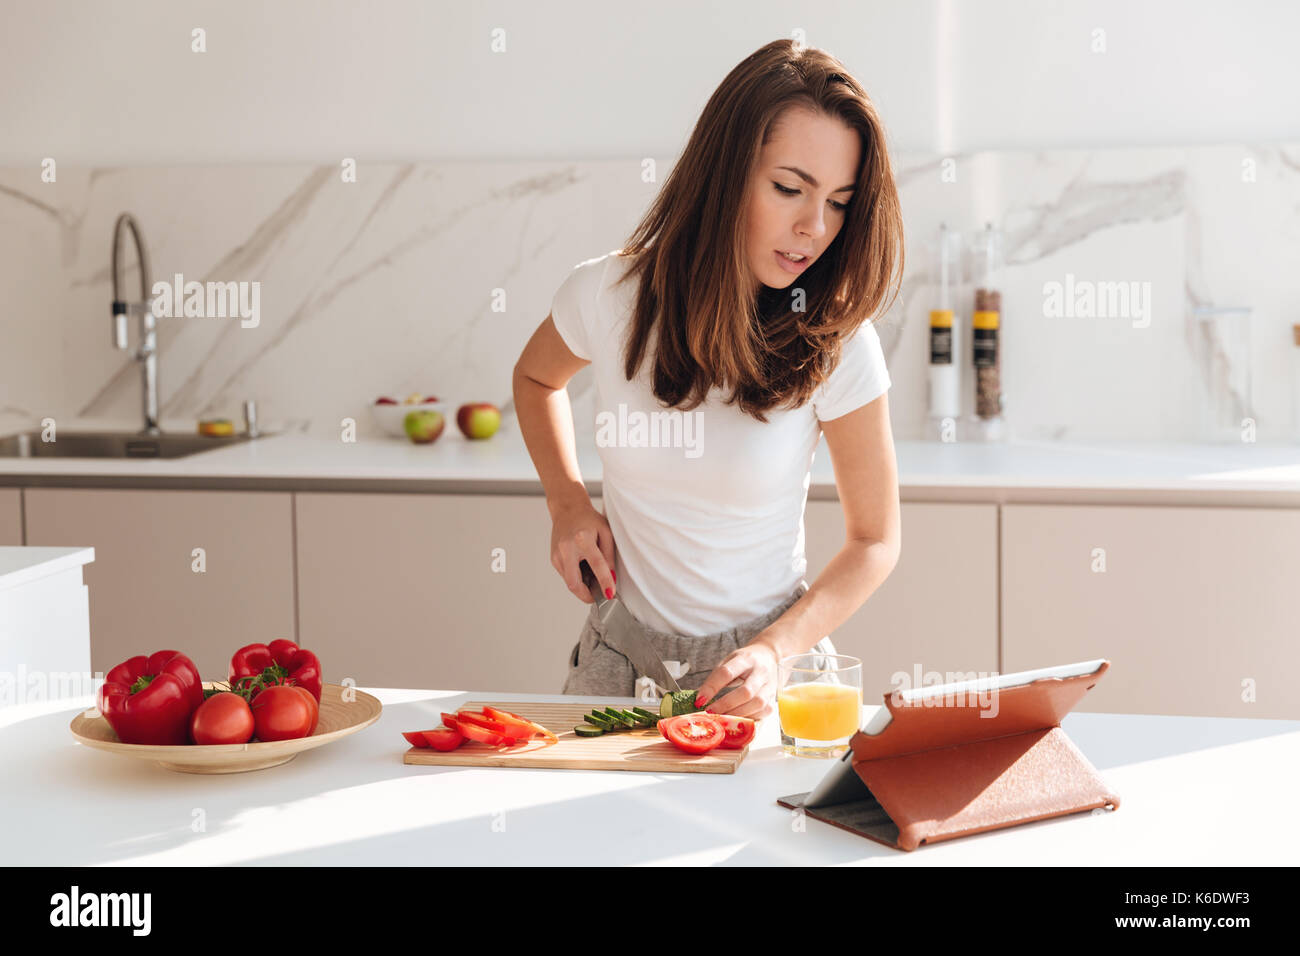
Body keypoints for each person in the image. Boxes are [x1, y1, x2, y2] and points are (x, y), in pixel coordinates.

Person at [512, 38, 903, 720]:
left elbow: (875, 542)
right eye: (789, 189)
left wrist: (777, 652)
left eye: (840, 203)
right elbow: (534, 378)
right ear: (725, 174)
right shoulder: (609, 294)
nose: (814, 228)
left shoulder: (835, 337)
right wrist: (566, 504)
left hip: (767, 677)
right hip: (619, 662)